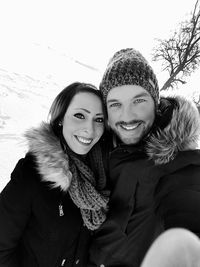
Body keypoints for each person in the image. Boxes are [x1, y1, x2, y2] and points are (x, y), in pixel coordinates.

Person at [88, 48, 200, 267]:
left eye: (138, 101)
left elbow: (189, 211)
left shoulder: (179, 161)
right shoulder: (95, 150)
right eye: (116, 104)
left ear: (156, 103)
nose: (127, 116)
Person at [0, 82, 110, 267]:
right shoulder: (33, 173)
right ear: (61, 119)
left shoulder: (101, 175)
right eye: (79, 115)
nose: (90, 129)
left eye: (98, 119)